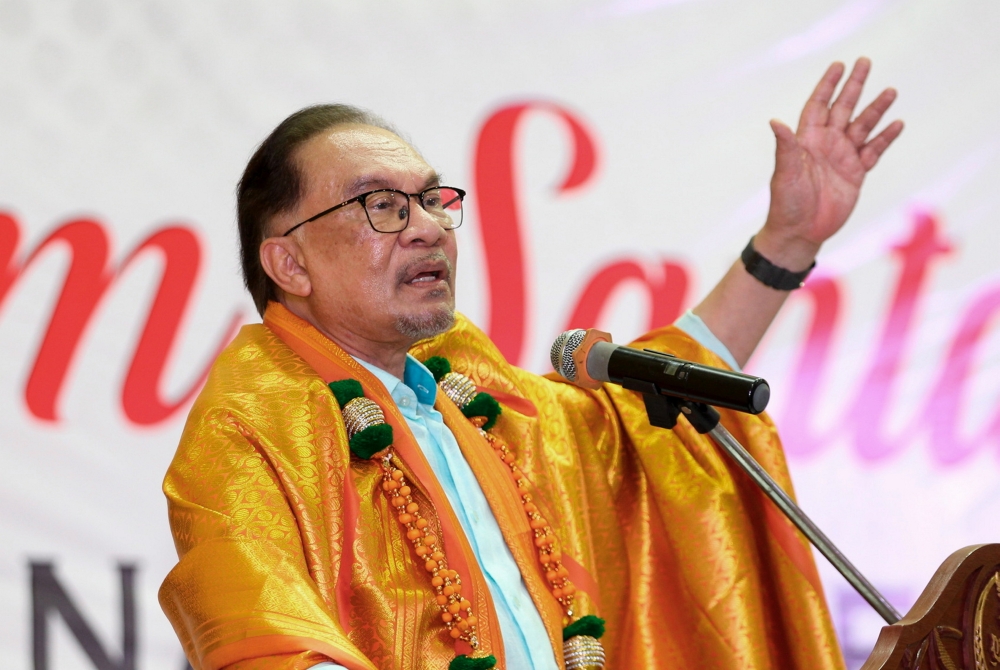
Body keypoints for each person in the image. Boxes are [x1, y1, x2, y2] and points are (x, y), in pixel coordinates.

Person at [159, 58, 902, 670]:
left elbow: (646, 423)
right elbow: (261, 639)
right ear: (289, 263)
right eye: (381, 206)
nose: (427, 229)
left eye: (432, 200)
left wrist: (787, 243)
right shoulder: (247, 425)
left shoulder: (468, 394)